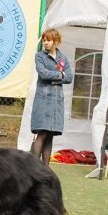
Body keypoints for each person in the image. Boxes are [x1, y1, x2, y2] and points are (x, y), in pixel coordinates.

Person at [30, 28, 73, 166]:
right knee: (42, 133)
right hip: (43, 100)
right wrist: (60, 75)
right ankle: (34, 168)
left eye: (48, 40)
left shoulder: (63, 58)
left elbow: (70, 78)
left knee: (50, 136)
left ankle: (46, 170)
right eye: (44, 40)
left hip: (56, 102)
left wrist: (54, 76)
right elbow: (43, 74)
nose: (45, 43)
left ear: (56, 41)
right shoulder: (39, 56)